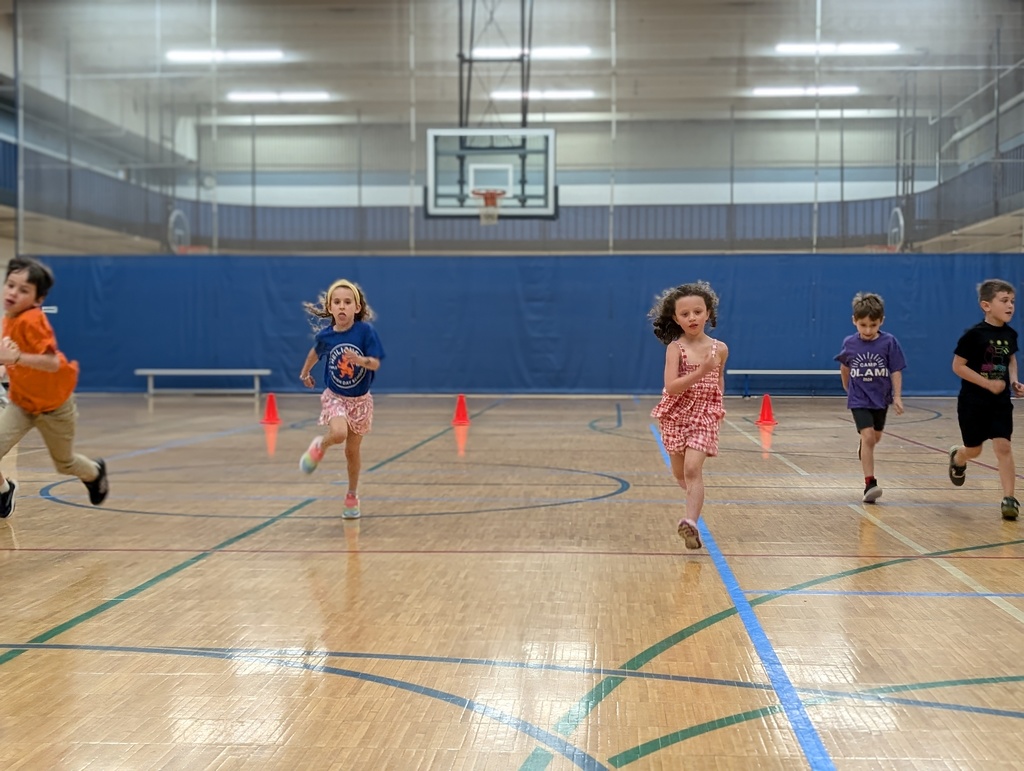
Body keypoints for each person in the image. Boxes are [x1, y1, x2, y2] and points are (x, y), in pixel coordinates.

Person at [0, 256, 109, 519]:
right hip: (22, 403)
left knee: (64, 463)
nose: (13, 292)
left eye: (23, 290)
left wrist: (15, 358)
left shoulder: (32, 320)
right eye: (10, 285)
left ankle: (94, 473)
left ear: (38, 300)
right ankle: (4, 493)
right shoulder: (9, 318)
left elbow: (51, 363)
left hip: (54, 407)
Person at [649, 281, 729, 550]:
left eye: (698, 311)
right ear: (676, 318)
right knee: (681, 473)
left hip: (704, 413)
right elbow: (672, 386)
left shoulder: (720, 349)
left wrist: (718, 406)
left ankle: (691, 523)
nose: (692, 318)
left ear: (708, 313)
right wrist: (702, 370)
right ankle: (694, 502)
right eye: (685, 314)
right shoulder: (676, 349)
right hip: (676, 413)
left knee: (693, 469)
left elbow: (718, 379)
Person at [298, 279, 385, 519]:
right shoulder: (327, 335)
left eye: (348, 302)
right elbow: (314, 354)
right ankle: (320, 446)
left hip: (361, 401)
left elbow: (376, 362)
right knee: (338, 433)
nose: (342, 306)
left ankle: (352, 495)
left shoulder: (365, 332)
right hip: (335, 396)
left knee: (352, 452)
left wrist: (361, 361)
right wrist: (305, 373)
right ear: (330, 308)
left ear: (357, 308)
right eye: (337, 302)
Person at [948, 278, 1024, 521]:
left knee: (1003, 446)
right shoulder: (973, 336)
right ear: (986, 305)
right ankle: (958, 458)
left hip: (1000, 403)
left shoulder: (1011, 334)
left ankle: (1009, 499)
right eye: (1004, 301)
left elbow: (1010, 359)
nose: (1010, 305)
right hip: (973, 402)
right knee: (975, 449)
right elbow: (958, 366)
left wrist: (1014, 381)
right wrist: (986, 383)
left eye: (1012, 301)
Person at [835, 292, 906, 503]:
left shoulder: (889, 342)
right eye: (863, 325)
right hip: (859, 399)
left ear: (881, 321)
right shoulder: (850, 343)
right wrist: (850, 390)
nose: (867, 330)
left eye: (873, 325)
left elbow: (896, 370)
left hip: (880, 399)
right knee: (868, 437)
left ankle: (863, 447)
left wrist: (898, 396)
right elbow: (844, 368)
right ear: (854, 321)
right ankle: (870, 483)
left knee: (874, 439)